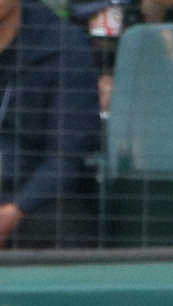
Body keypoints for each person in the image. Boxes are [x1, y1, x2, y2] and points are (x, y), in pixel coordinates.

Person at [0, 0, 101, 249]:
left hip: (31, 194)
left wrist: (15, 210)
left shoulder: (63, 45)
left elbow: (67, 154)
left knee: (61, 225)